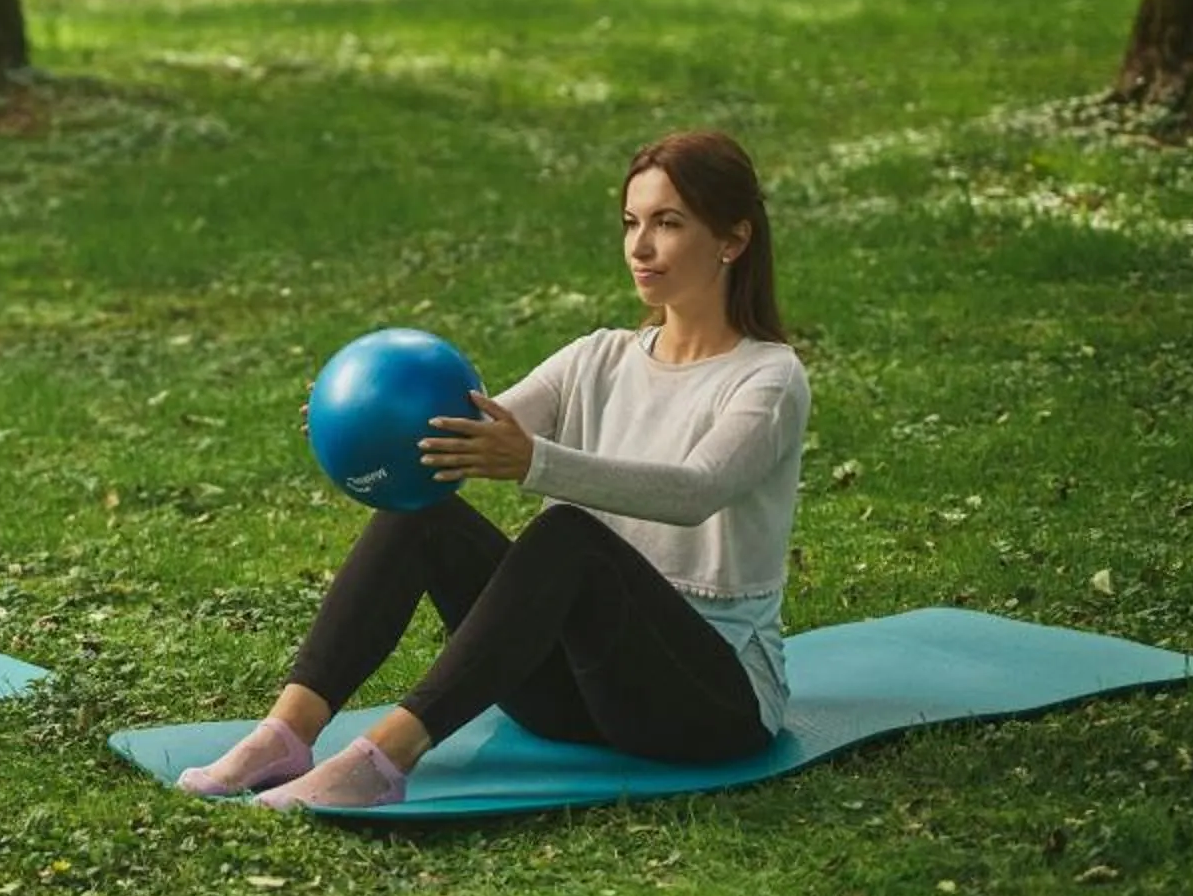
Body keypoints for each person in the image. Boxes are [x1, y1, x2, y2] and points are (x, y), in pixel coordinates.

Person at [179, 129, 806, 811]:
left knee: (567, 535)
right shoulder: (599, 357)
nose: (640, 246)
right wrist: (365, 423)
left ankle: (383, 760)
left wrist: (534, 463)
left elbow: (697, 490)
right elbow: (472, 429)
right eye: (631, 222)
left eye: (668, 223)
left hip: (703, 704)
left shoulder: (767, 379)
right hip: (570, 695)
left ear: (733, 240)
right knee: (426, 517)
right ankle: (285, 734)